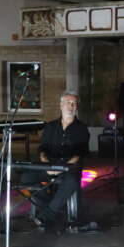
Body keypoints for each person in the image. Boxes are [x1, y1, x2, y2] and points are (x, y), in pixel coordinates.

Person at [22, 91, 90, 230]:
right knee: (26, 178)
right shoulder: (51, 126)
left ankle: (49, 214)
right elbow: (43, 148)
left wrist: (61, 168)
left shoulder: (82, 128)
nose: (71, 106)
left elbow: (80, 153)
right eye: (68, 103)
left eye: (74, 103)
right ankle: (50, 205)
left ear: (77, 107)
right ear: (61, 105)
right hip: (49, 165)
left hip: (69, 167)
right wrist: (46, 164)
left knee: (71, 181)